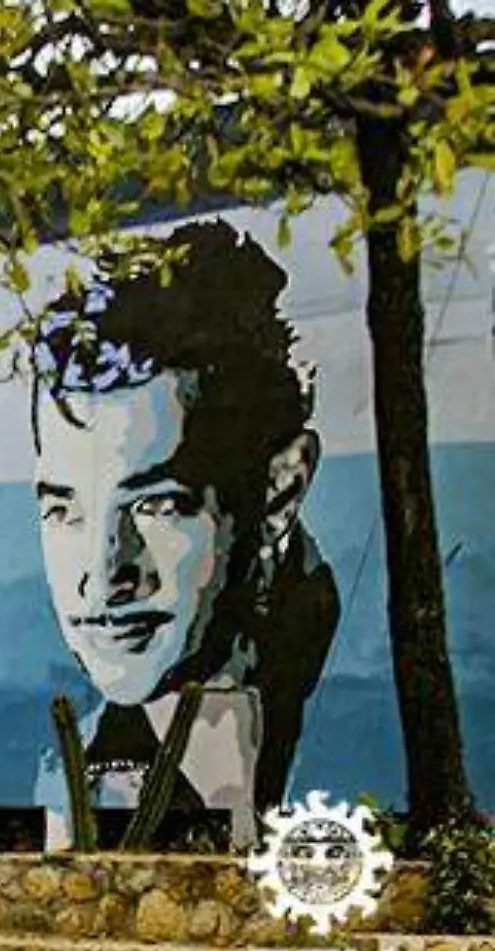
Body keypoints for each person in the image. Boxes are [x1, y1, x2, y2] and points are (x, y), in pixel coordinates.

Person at [29, 220, 338, 848]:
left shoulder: (343, 711)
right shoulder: (76, 758)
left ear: (281, 488)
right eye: (65, 511)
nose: (104, 571)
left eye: (158, 505)